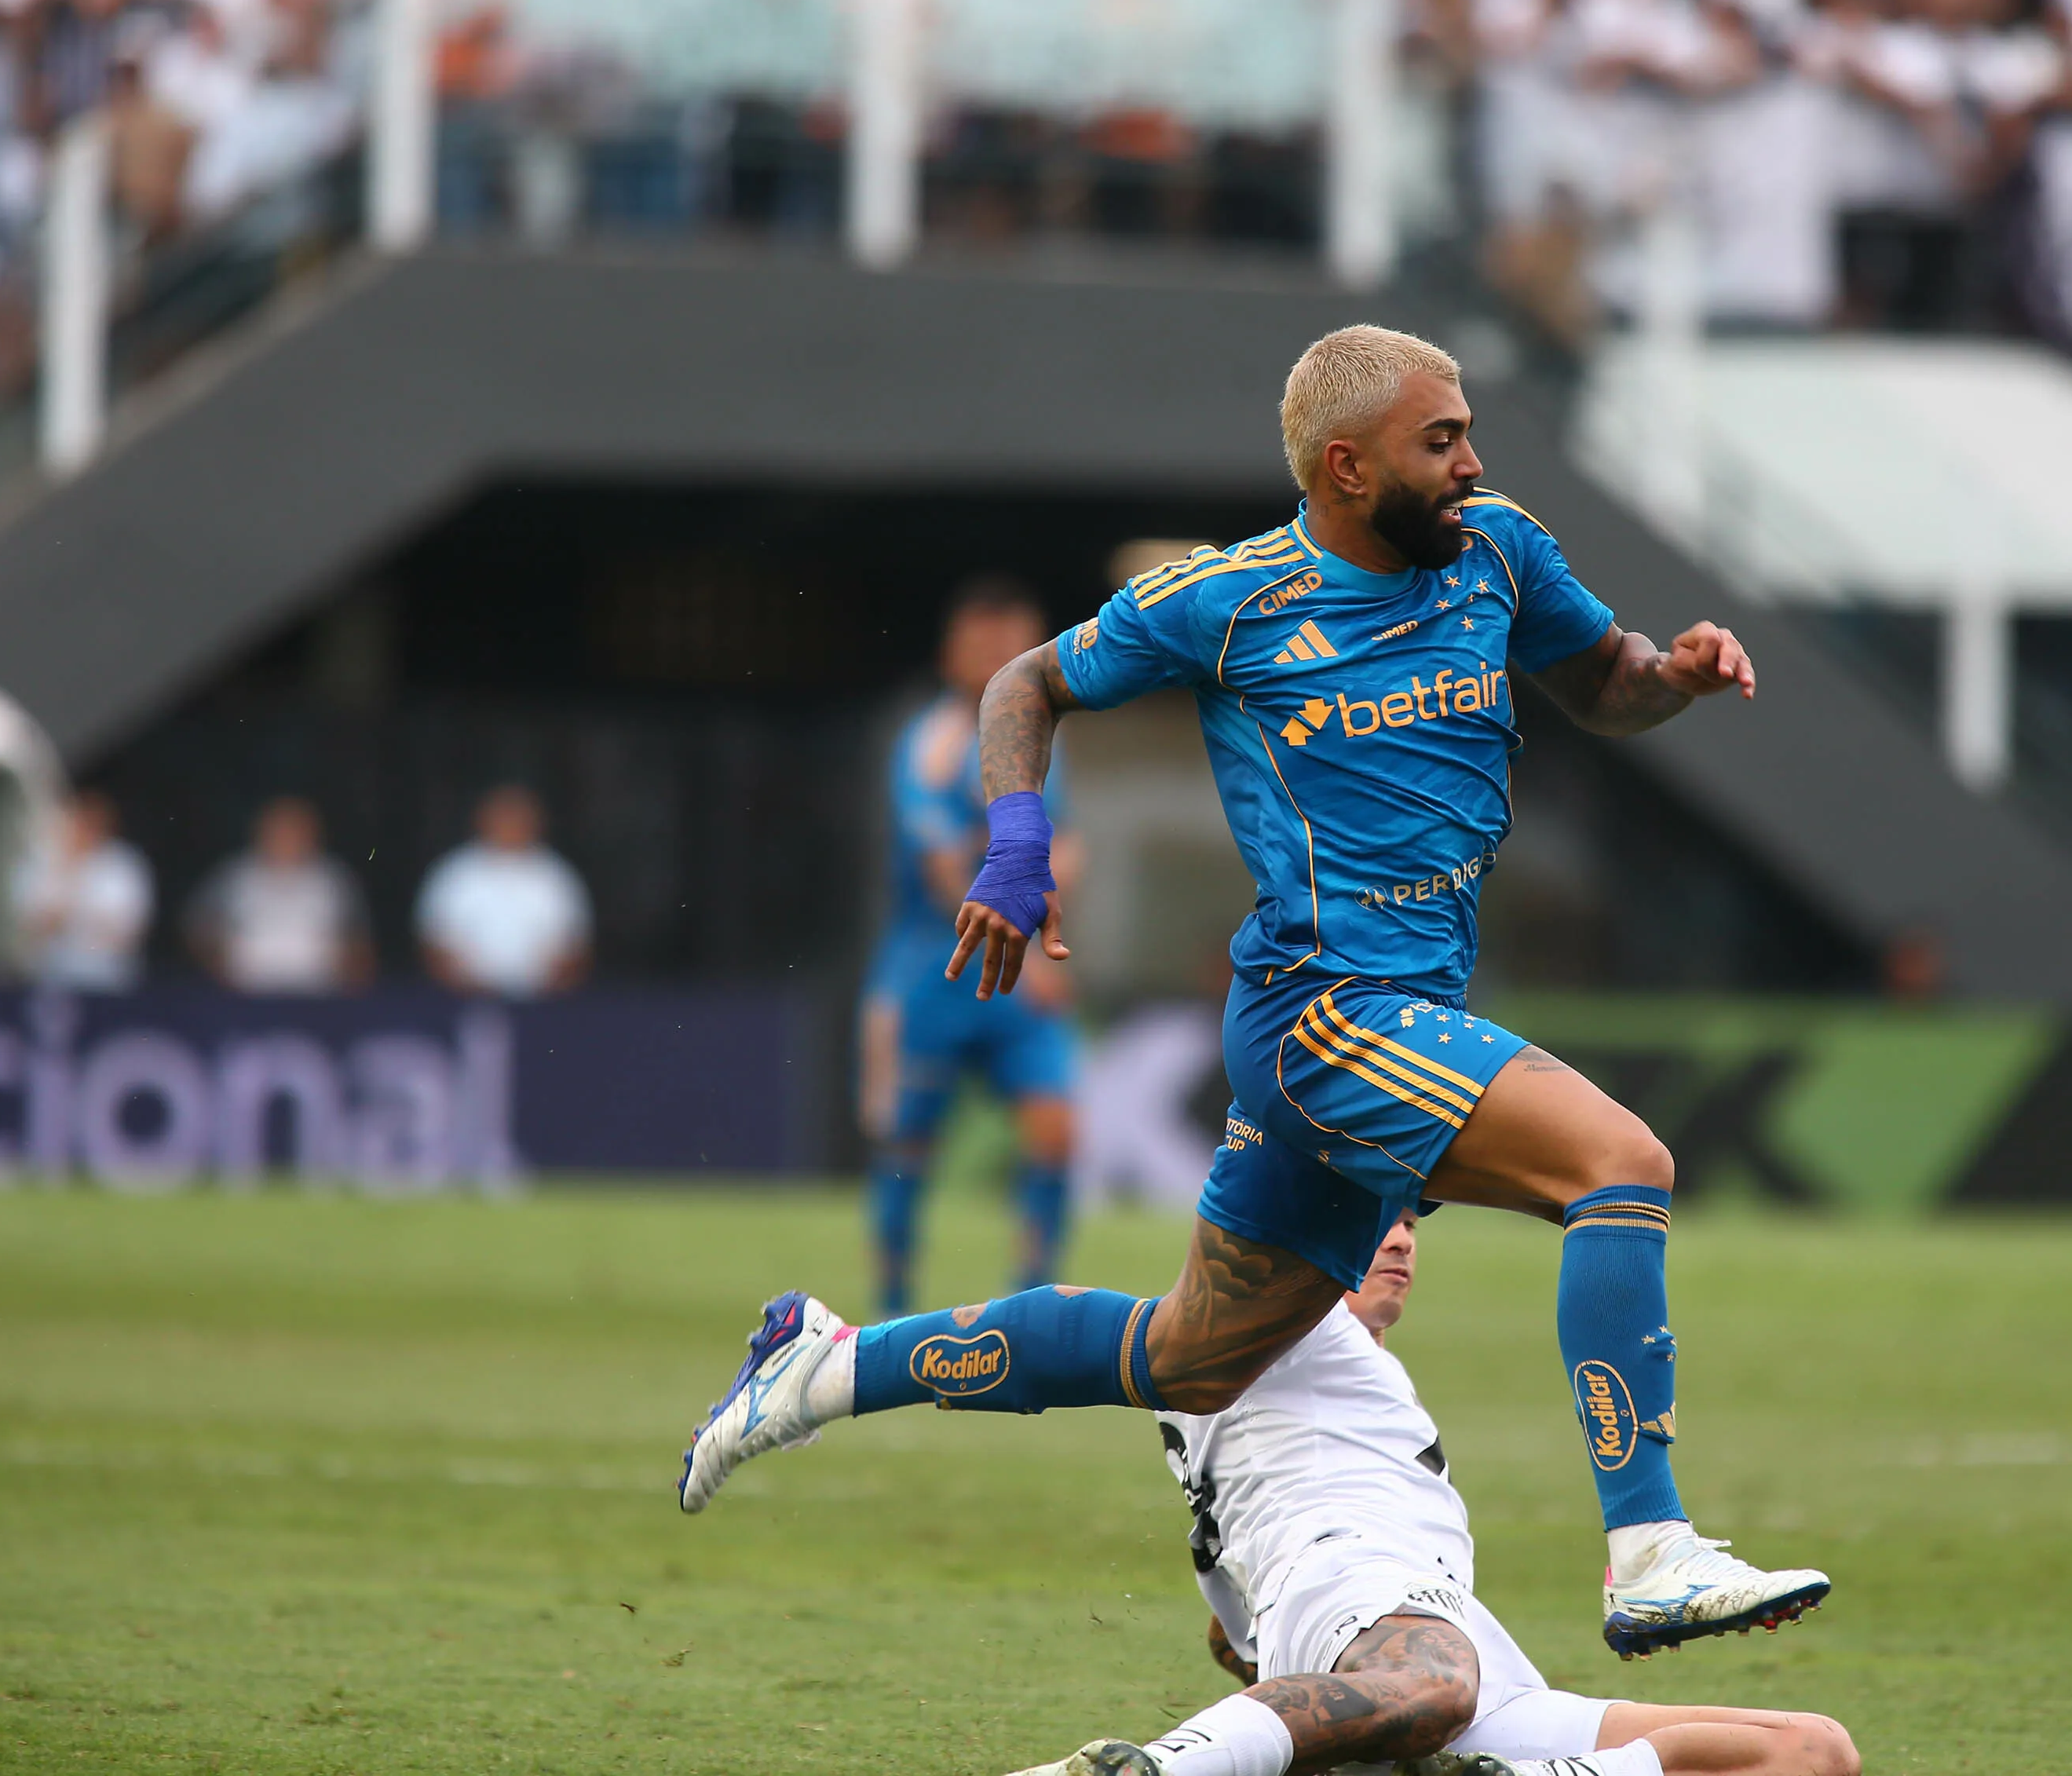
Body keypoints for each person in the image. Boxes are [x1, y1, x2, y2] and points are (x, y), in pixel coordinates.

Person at [679, 325, 1829, 1671]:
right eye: (1439, 440)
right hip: (1323, 1017)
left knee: (1191, 1358)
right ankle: (1648, 1552)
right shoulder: (1229, 601)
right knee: (1618, 1165)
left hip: (1385, 1021)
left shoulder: (1501, 550)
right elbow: (1025, 683)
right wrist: (1016, 842)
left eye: (1465, 430)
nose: (1472, 460)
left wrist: (1672, 678)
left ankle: (826, 1363)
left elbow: (1603, 686)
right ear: (1345, 467)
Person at [1010, 1215, 1862, 1776]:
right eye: (1374, 1218)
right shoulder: (1281, 1326)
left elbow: (1236, 1636)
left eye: (1412, 1220)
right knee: (1435, 1684)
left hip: (1447, 1655)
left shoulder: (1336, 1382)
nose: (1403, 1238)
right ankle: (1155, 1767)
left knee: (1812, 1751)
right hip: (1370, 1598)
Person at [858, 576, 1084, 1315]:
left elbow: (1069, 845)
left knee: (1053, 1131)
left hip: (1018, 969)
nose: (1002, 661)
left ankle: (1027, 1305)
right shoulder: (930, 744)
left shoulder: (1041, 741)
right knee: (906, 1149)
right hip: (935, 969)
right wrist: (1022, 921)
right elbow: (942, 867)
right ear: (951, 654)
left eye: (1015, 644)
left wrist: (1051, 928)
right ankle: (891, 1307)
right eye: (984, 645)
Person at [415, 784, 592, 998]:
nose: (510, 824)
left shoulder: (557, 877)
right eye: (503, 816)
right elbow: (432, 944)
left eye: (518, 817)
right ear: (481, 820)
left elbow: (577, 949)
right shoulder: (453, 874)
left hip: (542, 1004)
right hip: (464, 1001)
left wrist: (545, 989)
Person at [185, 795, 373, 994]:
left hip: (318, 1000)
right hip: (243, 1000)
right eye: (279, 829)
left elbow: (360, 944)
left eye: (295, 829)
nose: (287, 837)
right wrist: (217, 966)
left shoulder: (336, 882)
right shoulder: (233, 878)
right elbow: (197, 929)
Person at [17, 788, 155, 992]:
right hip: (49, 979)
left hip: (108, 981)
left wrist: (72, 919)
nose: (87, 827)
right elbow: (32, 926)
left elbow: (128, 933)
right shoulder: (41, 860)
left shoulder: (124, 864)